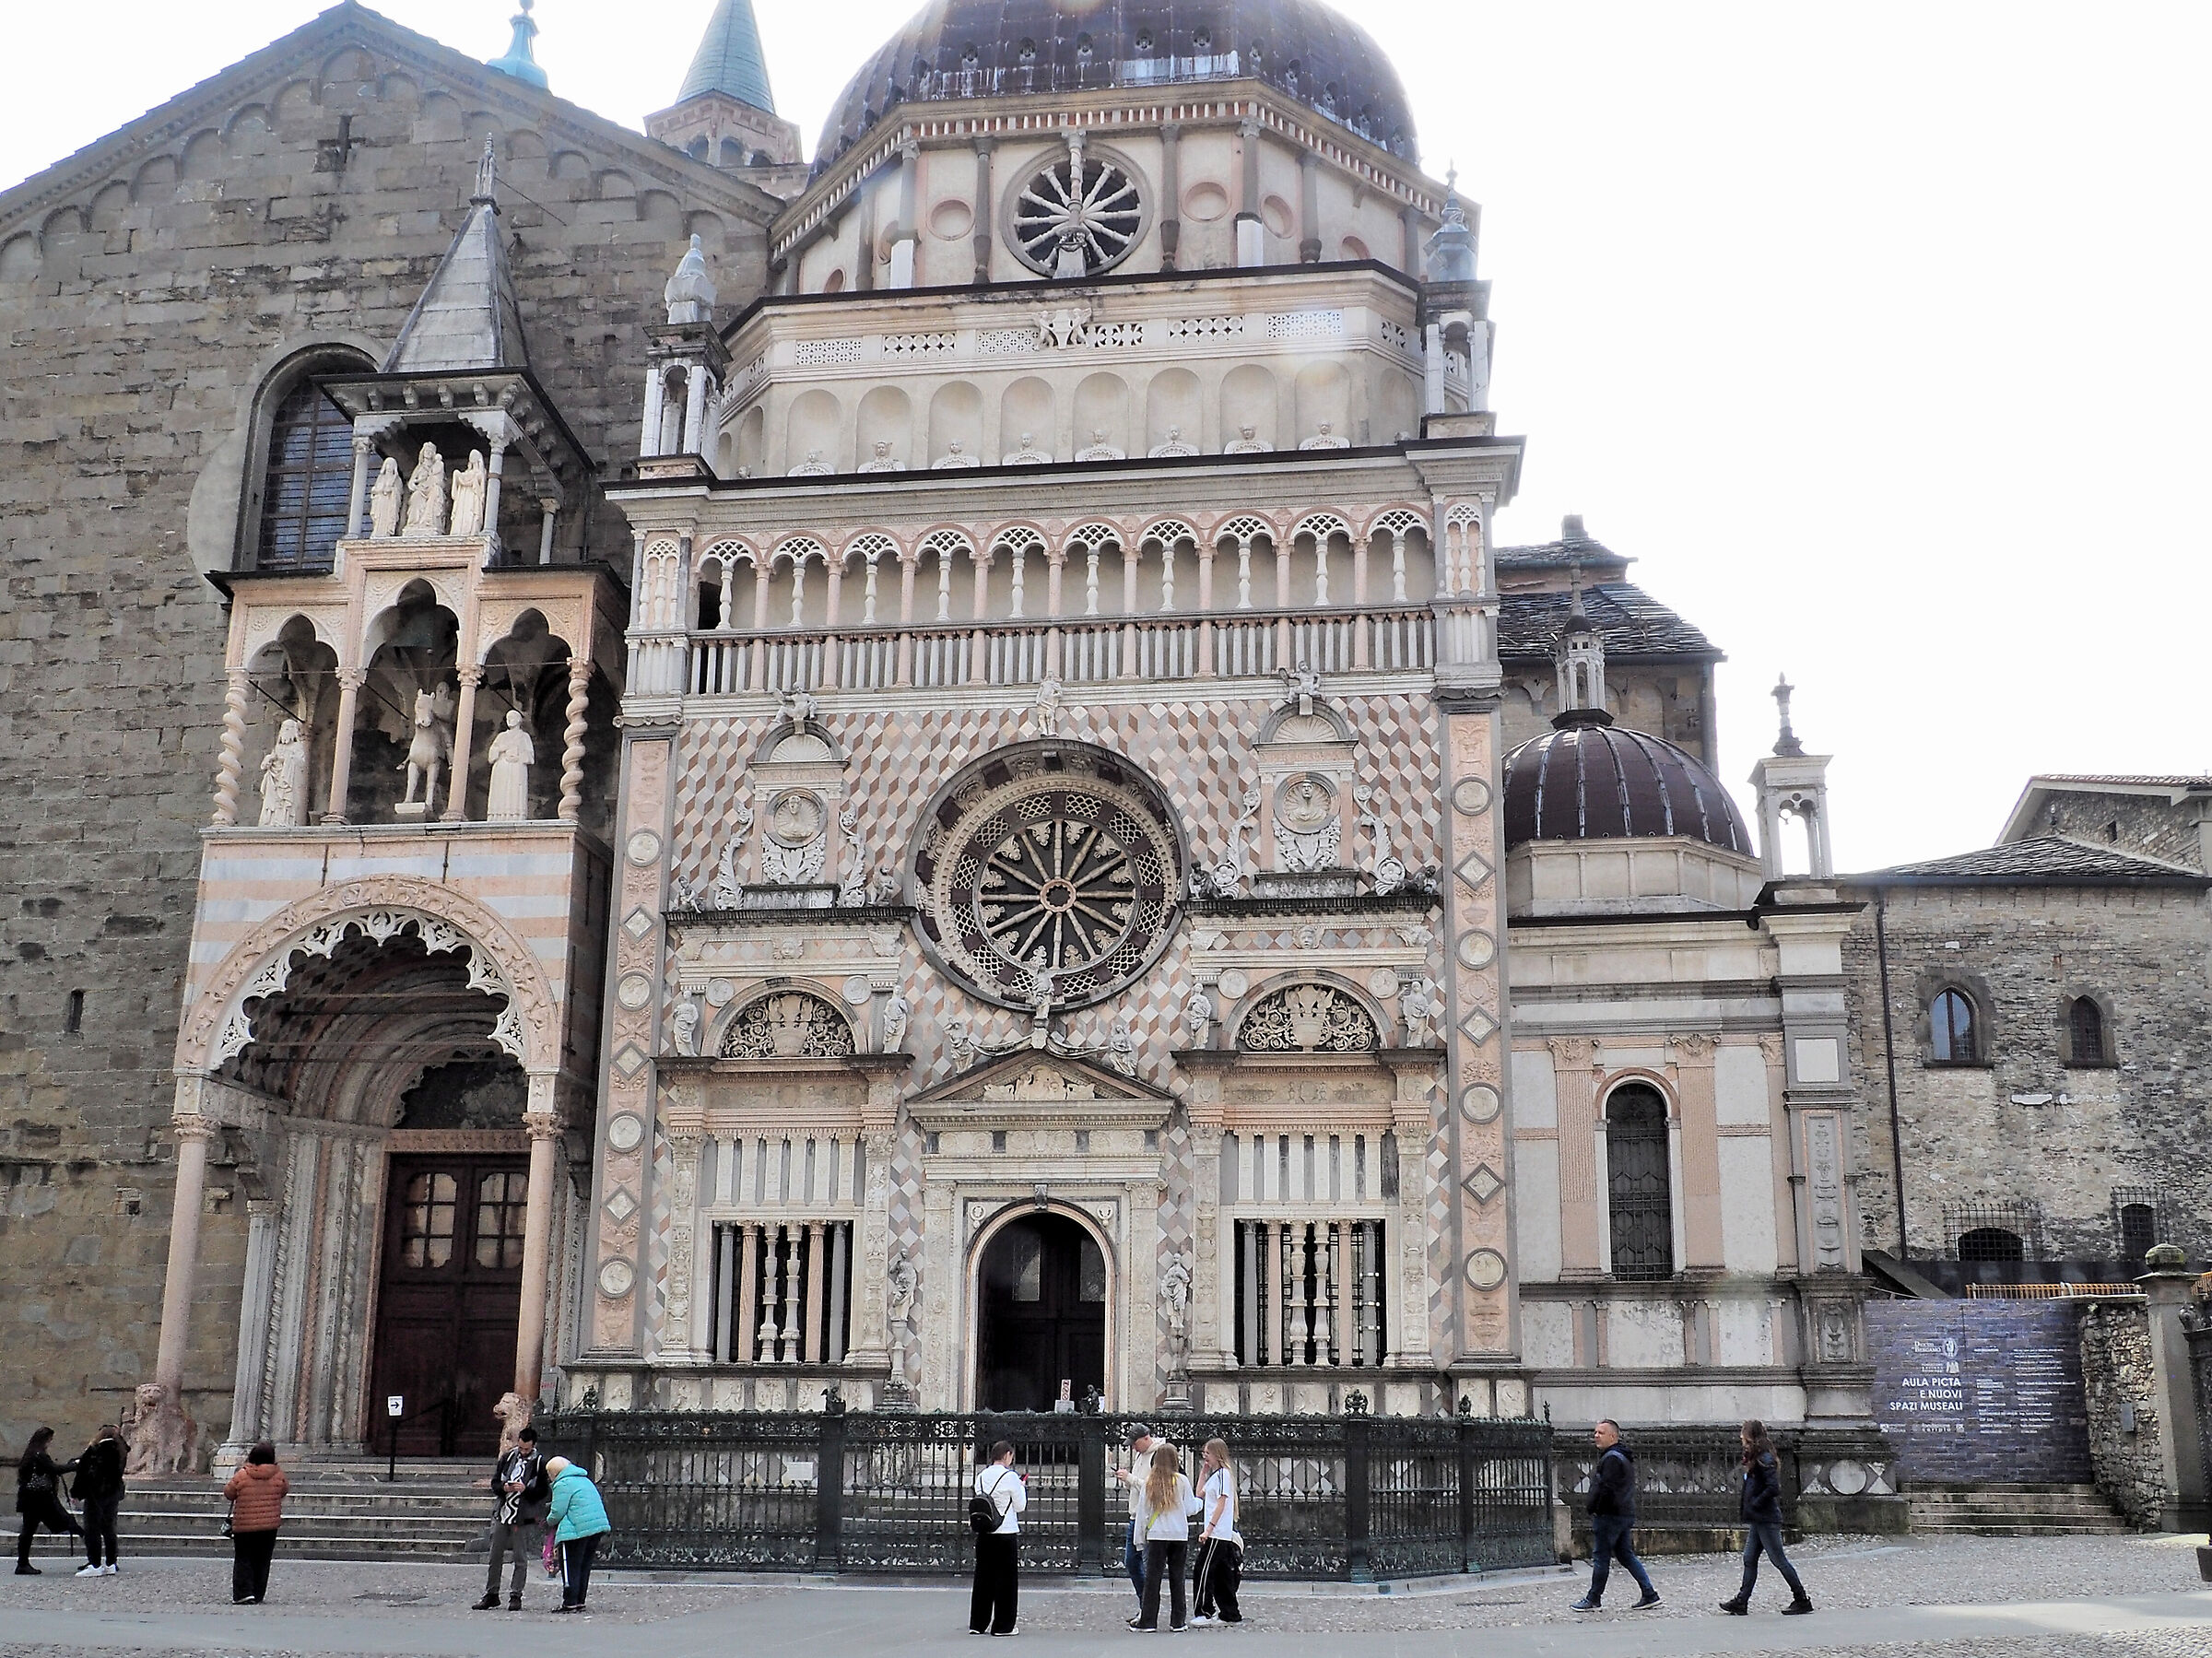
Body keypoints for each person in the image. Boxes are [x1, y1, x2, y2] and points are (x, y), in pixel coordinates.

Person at [1722, 1420, 1813, 1617]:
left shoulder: (1764, 1458)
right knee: (1749, 1558)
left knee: (1778, 1560)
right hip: (1759, 1518)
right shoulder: (1755, 1457)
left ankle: (1802, 1599)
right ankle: (1741, 1602)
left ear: (1751, 1436)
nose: (1740, 1437)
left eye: (1743, 1434)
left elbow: (1773, 1488)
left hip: (1767, 1518)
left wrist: (1755, 1503)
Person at [1571, 1419, 1660, 1612]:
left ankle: (1594, 1598)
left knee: (1601, 1557)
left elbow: (1607, 1489)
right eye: (1595, 1432)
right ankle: (1649, 1593)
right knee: (1625, 1554)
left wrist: (1596, 1507)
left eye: (1601, 1433)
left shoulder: (1611, 1459)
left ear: (1613, 1436)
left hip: (1610, 1515)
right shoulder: (1621, 1456)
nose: (1596, 1436)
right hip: (1623, 1513)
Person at [1128, 1442, 1201, 1633]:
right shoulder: (1182, 1481)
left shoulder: (1150, 1483)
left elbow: (1142, 1513)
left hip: (1157, 1535)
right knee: (1178, 1579)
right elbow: (1190, 1509)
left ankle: (1148, 1621)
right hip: (1179, 1535)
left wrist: (1139, 1540)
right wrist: (1200, 1502)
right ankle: (1178, 1621)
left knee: (1153, 1580)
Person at [475, 1425, 548, 1611]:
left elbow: (543, 1491)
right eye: (521, 1447)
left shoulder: (539, 1463)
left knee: (520, 1557)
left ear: (533, 1445)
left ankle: (516, 1595)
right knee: (495, 1555)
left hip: (522, 1516)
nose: (523, 1452)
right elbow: (495, 1483)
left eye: (527, 1449)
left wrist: (527, 1490)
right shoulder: (508, 1458)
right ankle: (491, 1593)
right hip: (503, 1512)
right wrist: (505, 1487)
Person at [968, 1439, 1025, 1637]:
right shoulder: (1010, 1477)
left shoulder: (982, 1476)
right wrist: (1021, 1486)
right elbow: (1020, 1506)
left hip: (985, 1532)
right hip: (1005, 1532)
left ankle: (977, 1623)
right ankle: (1003, 1626)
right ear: (1007, 1455)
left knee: (983, 1578)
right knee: (1006, 1581)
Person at [543, 1454, 611, 1614]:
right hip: (596, 1528)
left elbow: (558, 1511)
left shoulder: (563, 1483)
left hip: (576, 1530)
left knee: (570, 1566)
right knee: (584, 1566)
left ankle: (570, 1602)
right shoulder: (583, 1479)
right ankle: (580, 1601)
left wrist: (548, 1522)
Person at [222, 1441, 288, 1605]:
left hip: (244, 1526)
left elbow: (229, 1493)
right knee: (263, 1559)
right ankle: (258, 1593)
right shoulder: (278, 1475)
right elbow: (284, 1490)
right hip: (269, 1526)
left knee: (244, 1558)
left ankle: (244, 1593)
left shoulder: (242, 1474)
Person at [1188, 1438, 1242, 1628]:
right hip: (1217, 1532)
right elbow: (1199, 1494)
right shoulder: (1216, 1475)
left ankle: (1204, 1611)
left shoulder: (1223, 1476)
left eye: (1208, 1454)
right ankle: (1230, 1612)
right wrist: (1203, 1472)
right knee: (1222, 1573)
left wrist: (1209, 1529)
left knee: (1203, 1571)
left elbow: (1221, 1503)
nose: (1205, 1457)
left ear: (1217, 1455)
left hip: (1217, 1533)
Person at [15, 1428, 84, 1574]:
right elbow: (54, 1469)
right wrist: (75, 1466)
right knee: (68, 1522)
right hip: (40, 1499)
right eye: (50, 1440)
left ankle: (22, 1563)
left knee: (28, 1530)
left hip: (32, 1498)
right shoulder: (39, 1455)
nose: (50, 1442)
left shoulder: (31, 1454)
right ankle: (92, 1552)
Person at [1112, 1424, 1159, 1613]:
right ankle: (1144, 1602)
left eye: (1135, 1443)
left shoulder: (1157, 1455)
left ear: (1146, 1438)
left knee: (1146, 1563)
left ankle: (1148, 1606)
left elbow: (1152, 1488)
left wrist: (1130, 1478)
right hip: (1135, 1515)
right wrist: (1127, 1480)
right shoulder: (1140, 1455)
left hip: (1148, 1517)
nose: (1133, 1447)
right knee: (1131, 1561)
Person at [71, 1425, 125, 1577]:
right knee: (109, 1529)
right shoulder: (119, 1452)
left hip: (96, 1494)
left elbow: (83, 1473)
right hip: (112, 1494)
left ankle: (94, 1564)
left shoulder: (95, 1451)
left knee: (92, 1529)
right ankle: (110, 1563)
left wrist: (76, 1493)